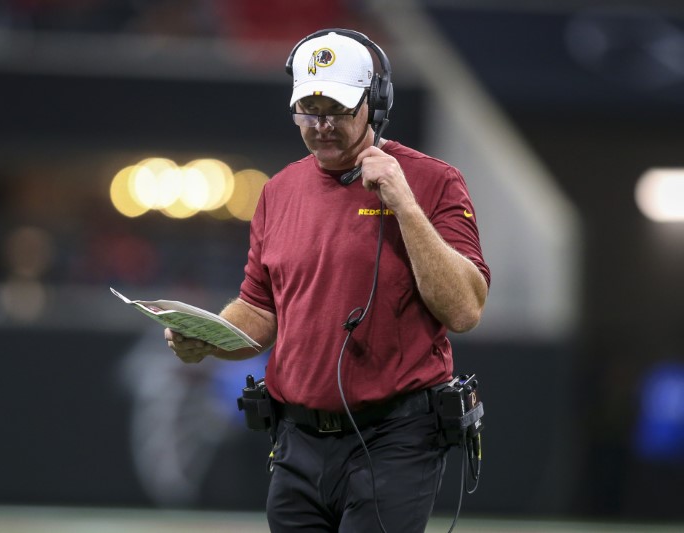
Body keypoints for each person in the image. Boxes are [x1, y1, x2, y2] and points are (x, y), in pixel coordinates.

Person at [165, 28, 490, 532]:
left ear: (374, 103)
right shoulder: (278, 192)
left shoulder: (431, 181)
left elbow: (466, 310)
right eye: (309, 110)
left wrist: (403, 204)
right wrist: (205, 338)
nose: (321, 125)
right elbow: (259, 310)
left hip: (394, 439)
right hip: (297, 441)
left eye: (337, 109)